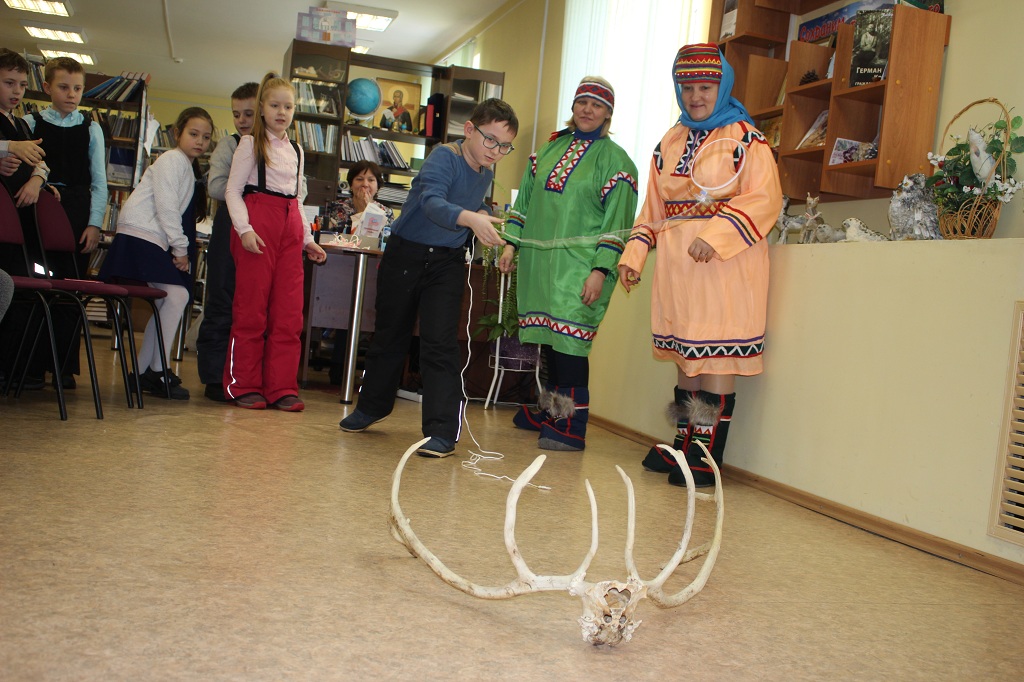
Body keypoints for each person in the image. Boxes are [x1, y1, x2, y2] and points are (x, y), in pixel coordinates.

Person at [618, 43, 782, 487]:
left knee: (716, 357)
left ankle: (706, 455)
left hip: (726, 267)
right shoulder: (669, 142)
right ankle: (683, 442)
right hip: (678, 269)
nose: (695, 97)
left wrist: (717, 235)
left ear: (722, 86)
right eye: (687, 87)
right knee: (686, 356)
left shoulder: (746, 138)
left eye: (705, 87)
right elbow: (652, 208)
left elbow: (765, 198)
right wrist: (634, 255)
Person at [339, 98, 518, 458]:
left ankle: (441, 431)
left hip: (446, 262)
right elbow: (433, 203)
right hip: (406, 254)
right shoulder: (443, 157)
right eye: (490, 140)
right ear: (470, 130)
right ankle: (372, 407)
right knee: (390, 334)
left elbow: (465, 204)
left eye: (505, 146)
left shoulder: (485, 172)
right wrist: (471, 218)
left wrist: (484, 214)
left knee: (441, 343)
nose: (496, 151)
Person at [500, 76, 638, 451]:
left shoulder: (617, 162)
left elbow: (618, 224)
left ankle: (571, 425)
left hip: (581, 269)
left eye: (597, 105)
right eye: (582, 102)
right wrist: (511, 244)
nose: (588, 110)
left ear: (608, 113)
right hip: (541, 266)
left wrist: (600, 270)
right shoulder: (547, 152)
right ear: (573, 106)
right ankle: (550, 410)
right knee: (549, 340)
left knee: (570, 344)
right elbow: (524, 204)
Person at [223, 73, 327, 412]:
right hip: (258, 223)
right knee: (251, 310)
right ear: (262, 109)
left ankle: (282, 387)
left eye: (288, 107)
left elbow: (297, 199)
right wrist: (244, 229)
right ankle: (243, 385)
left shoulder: (296, 150)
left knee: (289, 314)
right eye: (275, 105)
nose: (282, 112)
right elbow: (232, 191)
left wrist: (308, 239)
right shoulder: (249, 144)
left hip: (290, 226)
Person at [99, 107, 215, 400]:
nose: (200, 141)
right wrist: (180, 248)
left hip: (148, 237)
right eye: (193, 134)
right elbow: (166, 207)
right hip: (142, 235)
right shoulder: (172, 159)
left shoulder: (185, 165)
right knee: (177, 296)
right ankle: (156, 370)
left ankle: (142, 373)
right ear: (177, 133)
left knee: (170, 299)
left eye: (205, 137)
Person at [23, 56, 108, 389]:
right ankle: (30, 366)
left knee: (70, 289)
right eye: (63, 87)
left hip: (76, 211)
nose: (72, 94)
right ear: (47, 87)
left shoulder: (91, 128)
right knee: (36, 286)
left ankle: (63, 368)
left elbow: (99, 181)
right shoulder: (30, 123)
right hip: (38, 208)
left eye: (77, 88)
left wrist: (94, 224)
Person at [195, 81, 258, 402]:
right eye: (236, 114)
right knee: (222, 299)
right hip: (229, 227)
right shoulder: (228, 145)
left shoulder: (278, 147)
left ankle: (247, 375)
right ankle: (214, 378)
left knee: (253, 306)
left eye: (249, 113)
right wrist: (254, 187)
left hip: (261, 230)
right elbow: (216, 187)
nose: (242, 120)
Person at [326, 160, 396, 234]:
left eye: (371, 180)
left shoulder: (387, 213)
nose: (365, 184)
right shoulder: (338, 207)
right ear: (351, 184)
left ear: (377, 186)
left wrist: (366, 210)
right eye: (359, 179)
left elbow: (381, 238)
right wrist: (361, 212)